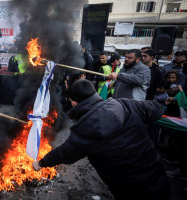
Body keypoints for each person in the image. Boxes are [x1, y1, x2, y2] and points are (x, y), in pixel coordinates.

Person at [32, 79, 170, 200]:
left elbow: (64, 152)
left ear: (74, 103)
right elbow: (156, 109)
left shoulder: (85, 129)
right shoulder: (125, 104)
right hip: (157, 175)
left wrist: (41, 163)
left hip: (130, 188)